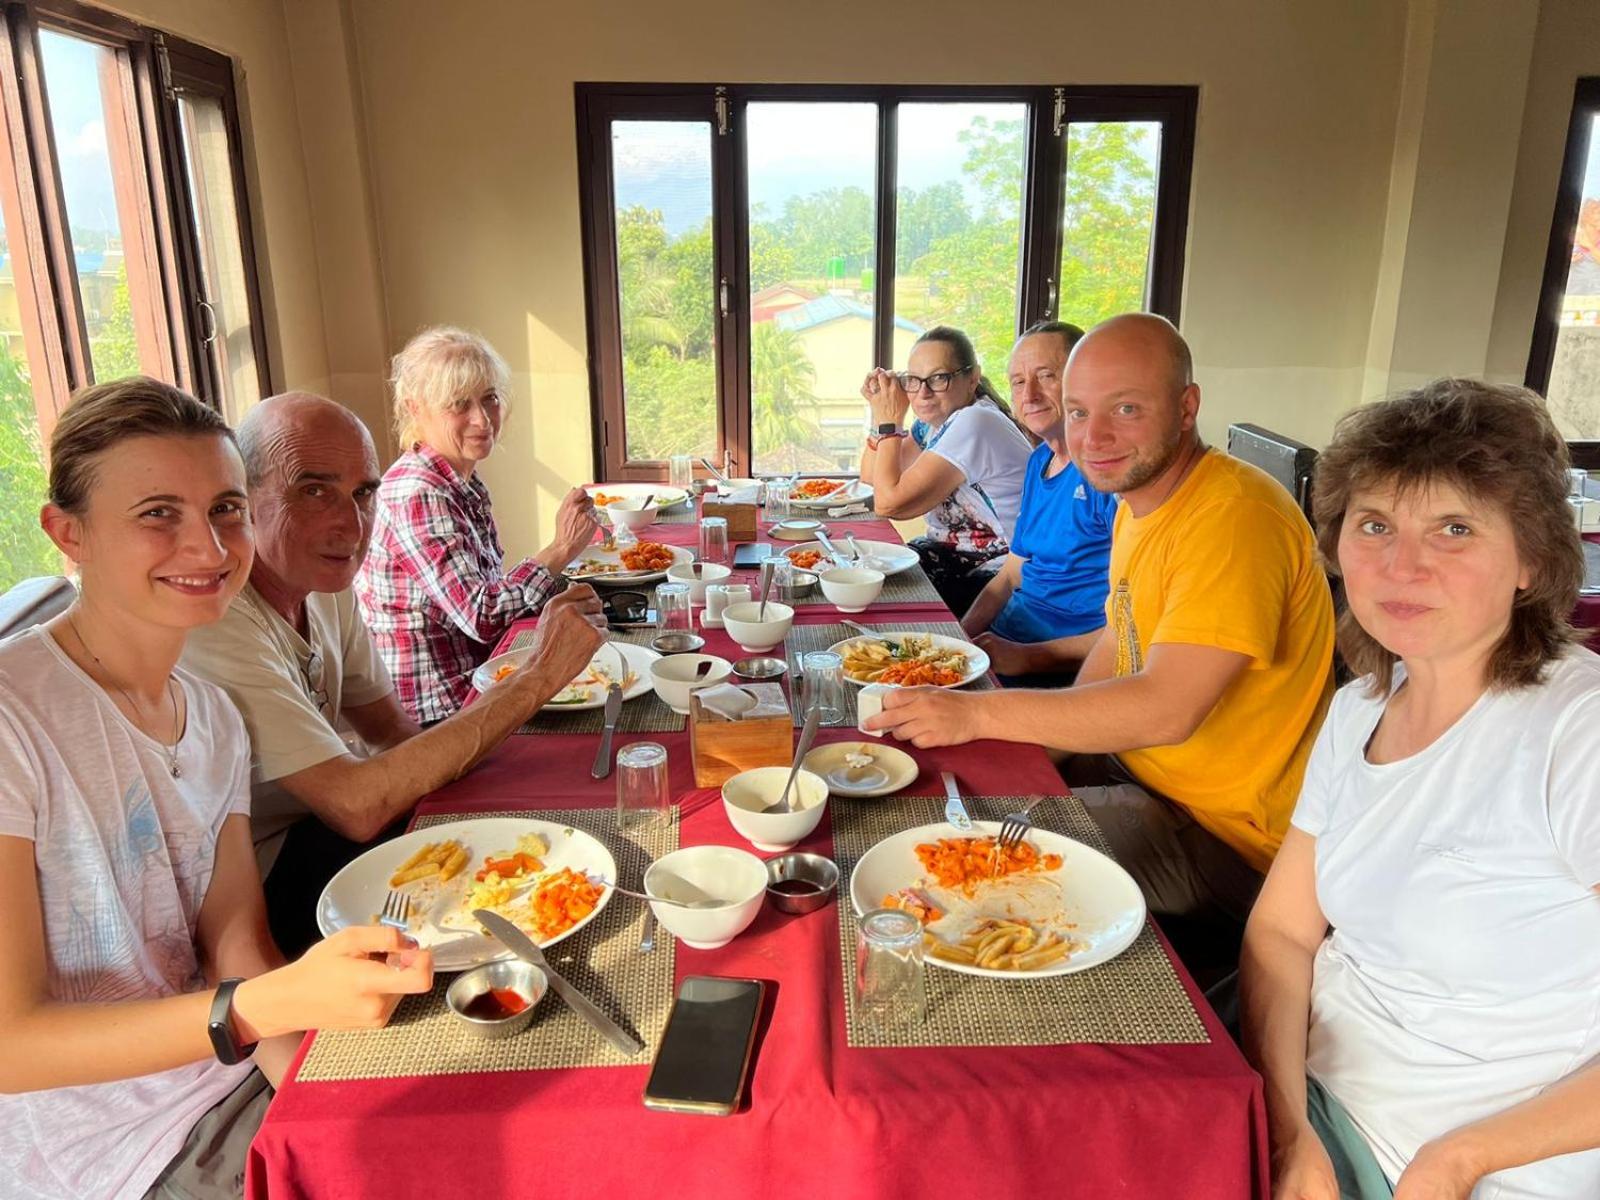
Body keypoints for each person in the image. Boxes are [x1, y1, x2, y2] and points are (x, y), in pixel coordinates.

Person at [0, 377, 433, 1200]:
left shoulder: (213, 717)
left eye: (225, 510)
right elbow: (10, 1047)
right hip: (116, 1151)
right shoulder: (13, 717)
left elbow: (237, 948)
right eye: (158, 513)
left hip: (228, 1069)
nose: (207, 548)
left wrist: (321, 1110)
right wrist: (257, 1009)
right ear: (68, 533)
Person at [869, 314, 1336, 966]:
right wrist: (1029, 759)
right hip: (1139, 777)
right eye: (1080, 411)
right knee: (943, 801)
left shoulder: (1233, 516)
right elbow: (1117, 646)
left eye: (1126, 408)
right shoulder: (1144, 502)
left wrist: (978, 714)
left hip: (1225, 838)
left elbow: (1167, 707)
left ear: (1187, 406)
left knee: (954, 875)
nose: (1095, 437)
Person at [1242, 380, 1600, 1200]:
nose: (1402, 565)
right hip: (1308, 1105)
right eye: (1375, 525)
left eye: (1455, 529)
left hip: (1457, 1169)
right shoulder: (1361, 707)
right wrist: (1292, 1133)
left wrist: (1458, 1160)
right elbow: (1282, 934)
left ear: (1532, 559)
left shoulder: (1577, 733)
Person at [181, 391, 606, 955]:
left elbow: (391, 733)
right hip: (263, 883)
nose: (350, 524)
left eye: (362, 493)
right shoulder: (215, 621)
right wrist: (537, 675)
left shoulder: (323, 583)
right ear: (241, 501)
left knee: (552, 828)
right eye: (313, 491)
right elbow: (354, 806)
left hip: (326, 826)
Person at [355, 326, 601, 723]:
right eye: (459, 404)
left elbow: (489, 595)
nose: (482, 419)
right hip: (441, 712)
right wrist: (560, 550)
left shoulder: (459, 480)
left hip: (478, 678)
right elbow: (482, 616)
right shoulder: (418, 492)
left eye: (490, 398)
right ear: (416, 408)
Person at [960, 320, 1116, 680]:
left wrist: (1032, 657)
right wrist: (957, 638)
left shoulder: (1107, 473)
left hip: (1060, 666)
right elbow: (1010, 574)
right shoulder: (1039, 460)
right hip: (1008, 641)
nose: (1029, 394)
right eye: (1018, 381)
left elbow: (1133, 628)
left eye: (1046, 376)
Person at [858, 325, 1035, 614]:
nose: (923, 392)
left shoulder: (976, 421)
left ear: (972, 378)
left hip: (1000, 576)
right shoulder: (933, 424)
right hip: (951, 560)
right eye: (914, 380)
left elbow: (889, 503)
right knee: (861, 576)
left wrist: (891, 421)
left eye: (938, 378)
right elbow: (871, 479)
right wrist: (881, 418)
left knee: (878, 605)